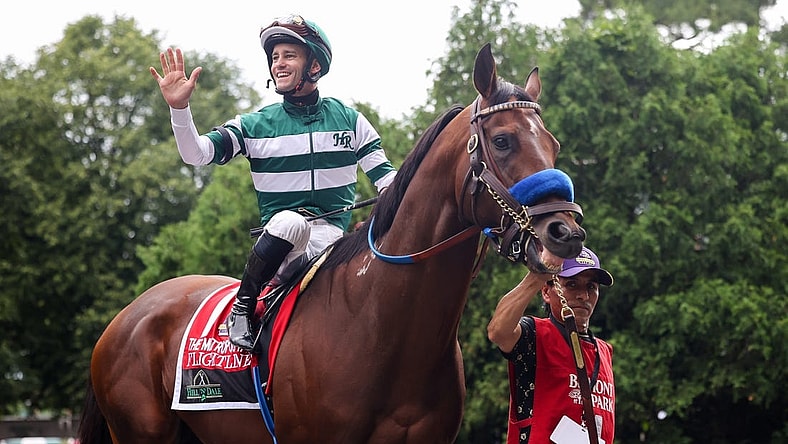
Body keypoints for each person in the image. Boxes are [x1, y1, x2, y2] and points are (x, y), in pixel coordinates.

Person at [149, 14, 397, 351]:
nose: (278, 64)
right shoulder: (255, 124)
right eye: (275, 57)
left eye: (289, 55)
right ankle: (243, 305)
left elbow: (389, 182)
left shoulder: (350, 120)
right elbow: (197, 154)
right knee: (292, 222)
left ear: (314, 66)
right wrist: (180, 110)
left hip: (337, 244)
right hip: (285, 242)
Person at [487, 247, 616, 444]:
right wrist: (538, 273)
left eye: (591, 286)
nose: (583, 296)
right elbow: (498, 332)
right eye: (571, 284)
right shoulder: (534, 334)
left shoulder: (605, 351)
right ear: (546, 292)